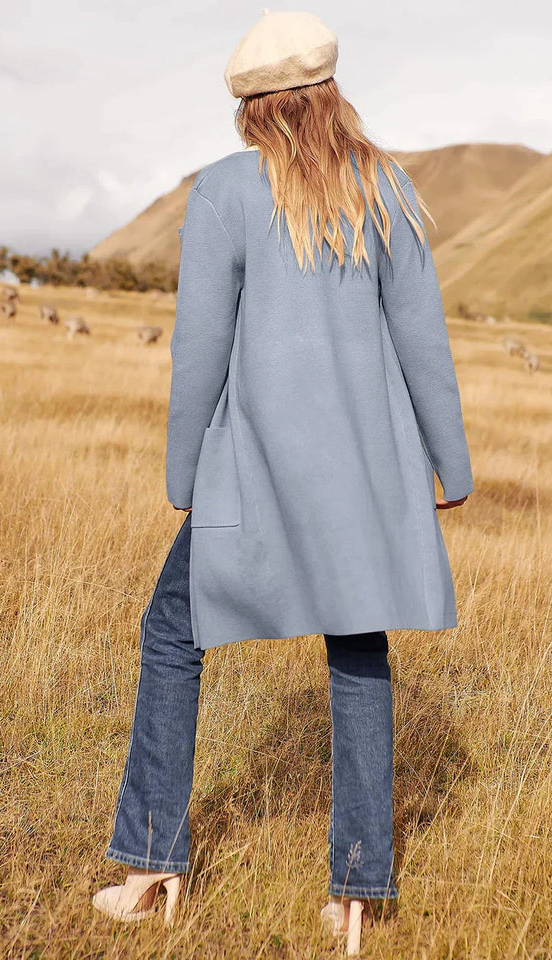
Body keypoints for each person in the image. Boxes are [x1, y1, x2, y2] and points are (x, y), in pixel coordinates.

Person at [92, 8, 473, 952]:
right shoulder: (385, 186)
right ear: (328, 92)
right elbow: (422, 337)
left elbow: (199, 350)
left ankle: (149, 867)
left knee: (172, 635)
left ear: (255, 109)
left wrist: (184, 475)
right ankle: (356, 894)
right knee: (358, 653)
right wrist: (449, 466)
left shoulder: (223, 191)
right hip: (365, 474)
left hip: (252, 469)